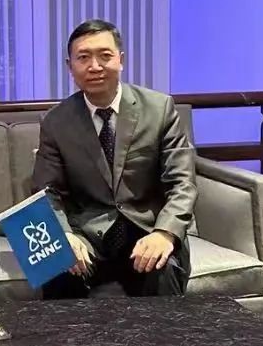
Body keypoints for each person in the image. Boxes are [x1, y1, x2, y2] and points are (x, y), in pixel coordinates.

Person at [31, 19, 197, 298]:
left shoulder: (159, 109)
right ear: (70, 66)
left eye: (104, 56)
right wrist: (64, 235)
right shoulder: (56, 122)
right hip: (87, 235)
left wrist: (165, 233)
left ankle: (167, 331)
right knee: (57, 266)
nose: (95, 66)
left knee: (162, 266)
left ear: (121, 60)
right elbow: (47, 192)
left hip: (147, 230)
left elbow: (182, 183)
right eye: (83, 58)